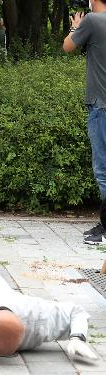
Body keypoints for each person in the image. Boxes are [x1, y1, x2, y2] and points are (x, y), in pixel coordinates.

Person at [63, 1, 106, 244]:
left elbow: (68, 47)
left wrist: (75, 27)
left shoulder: (92, 20)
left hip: (101, 107)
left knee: (103, 171)